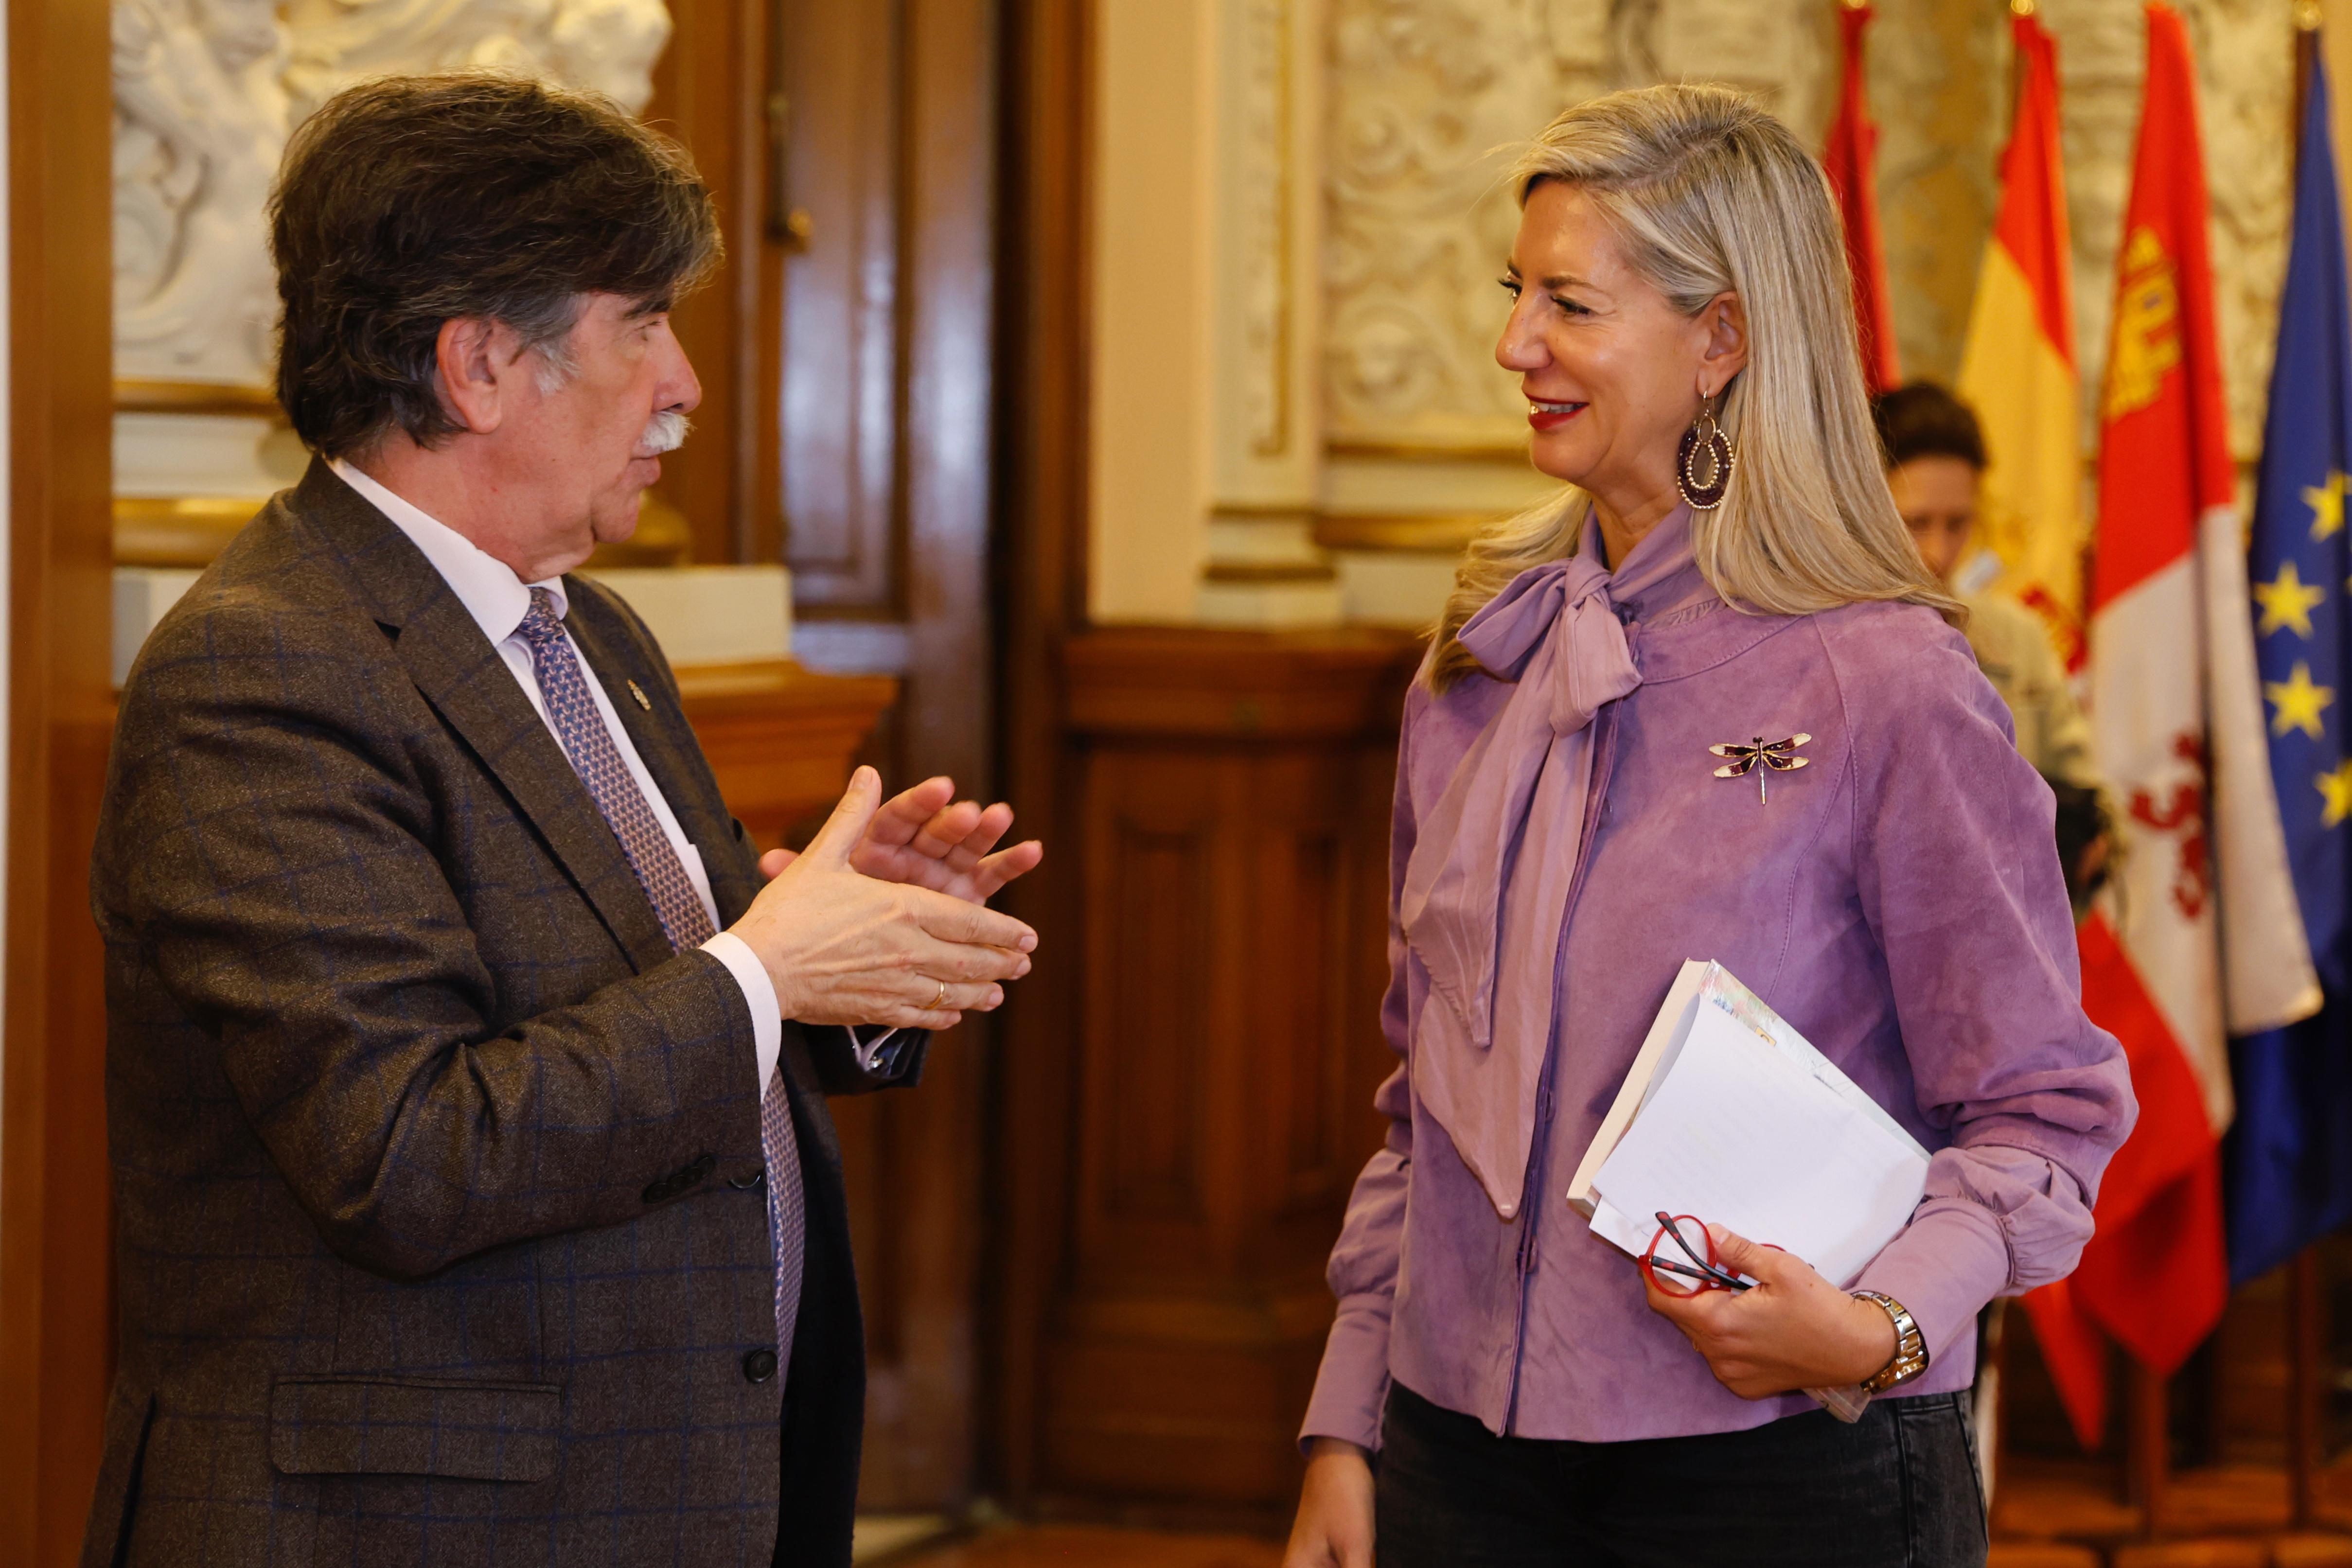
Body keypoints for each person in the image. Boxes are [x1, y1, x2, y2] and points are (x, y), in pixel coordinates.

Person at [81, 75, 1040, 1568]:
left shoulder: (591, 633)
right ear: (477, 367)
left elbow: (651, 1016)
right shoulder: (261, 670)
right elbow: (407, 1152)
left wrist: (850, 953)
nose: (685, 384)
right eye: (641, 324)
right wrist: (766, 969)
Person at [1281, 85, 2133, 1568]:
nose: (1513, 344)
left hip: (1789, 1468)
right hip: (1453, 1460)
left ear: (1720, 340)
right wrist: (1349, 1422)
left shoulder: (1886, 680)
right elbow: (1420, 1099)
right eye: (1513, 293)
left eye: (1568, 304)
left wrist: (1872, 1327)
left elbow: (2039, 1116)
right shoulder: (1480, 665)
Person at [1873, 381, 2109, 913]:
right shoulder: (1827, 644)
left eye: (1957, 524)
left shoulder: (2016, 639)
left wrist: (2085, 841)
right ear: (1864, 508)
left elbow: (2084, 788)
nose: (1938, 552)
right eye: (1915, 523)